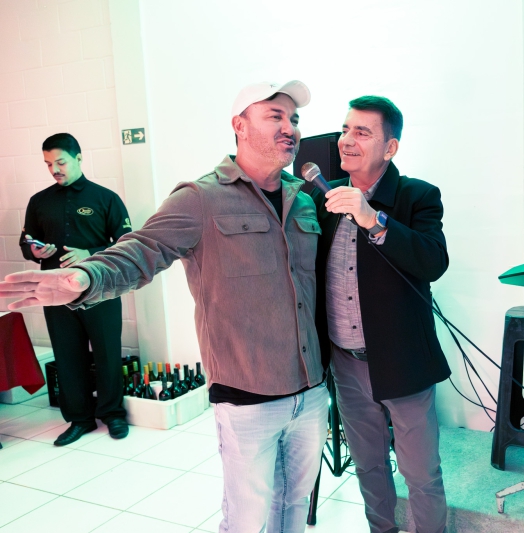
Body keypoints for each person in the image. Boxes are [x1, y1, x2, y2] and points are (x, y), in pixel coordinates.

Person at [1, 81, 327, 533]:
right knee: (247, 519)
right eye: (275, 116)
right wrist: (86, 277)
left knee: (294, 505)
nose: (289, 127)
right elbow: (143, 249)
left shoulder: (305, 200)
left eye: (294, 119)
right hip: (248, 396)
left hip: (311, 390)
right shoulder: (201, 197)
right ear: (239, 125)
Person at [312, 96, 451, 533]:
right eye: (345, 129)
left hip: (403, 361)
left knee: (421, 473)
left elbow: (433, 261)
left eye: (362, 132)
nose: (346, 140)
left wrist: (372, 218)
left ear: (390, 147)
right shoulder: (324, 197)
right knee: (369, 466)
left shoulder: (417, 196)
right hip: (345, 362)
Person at [19, 133, 132, 445]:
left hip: (101, 289)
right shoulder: (39, 201)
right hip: (55, 292)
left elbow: (127, 244)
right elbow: (26, 243)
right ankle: (80, 419)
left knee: (107, 352)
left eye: (61, 162)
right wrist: (34, 251)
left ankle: (113, 414)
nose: (54, 169)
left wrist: (90, 253)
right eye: (48, 164)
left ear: (79, 158)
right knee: (68, 355)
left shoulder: (105, 198)